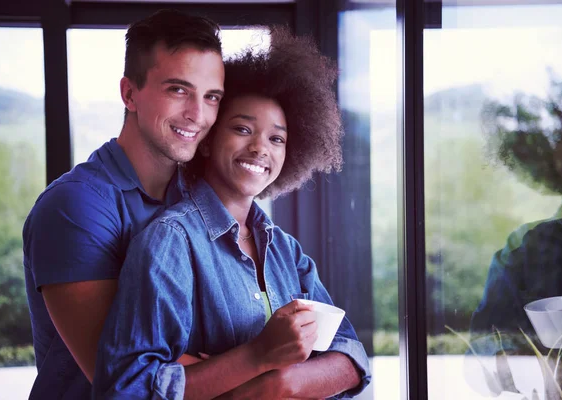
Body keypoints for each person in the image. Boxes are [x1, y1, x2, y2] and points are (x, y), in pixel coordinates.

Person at [92, 27, 371, 399]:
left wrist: (277, 384)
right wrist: (258, 356)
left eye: (277, 138)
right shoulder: (170, 243)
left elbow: (353, 356)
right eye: (242, 129)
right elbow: (125, 389)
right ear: (207, 142)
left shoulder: (285, 251)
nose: (260, 148)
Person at [22, 9, 225, 399]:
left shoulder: (202, 197)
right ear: (129, 93)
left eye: (211, 96)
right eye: (178, 90)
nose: (198, 115)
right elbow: (124, 375)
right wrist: (262, 361)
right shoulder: (74, 208)